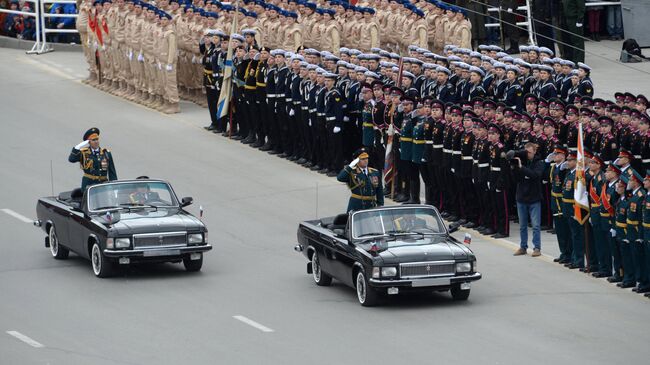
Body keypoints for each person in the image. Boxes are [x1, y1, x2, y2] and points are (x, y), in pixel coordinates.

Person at [512, 142, 545, 257]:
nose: (528, 154)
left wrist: (522, 168)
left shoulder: (539, 162)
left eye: (530, 152)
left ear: (535, 151)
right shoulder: (521, 161)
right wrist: (515, 167)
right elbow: (515, 178)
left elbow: (535, 175)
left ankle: (537, 247)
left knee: (535, 225)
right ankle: (523, 246)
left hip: (534, 198)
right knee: (522, 225)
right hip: (521, 197)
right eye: (526, 152)